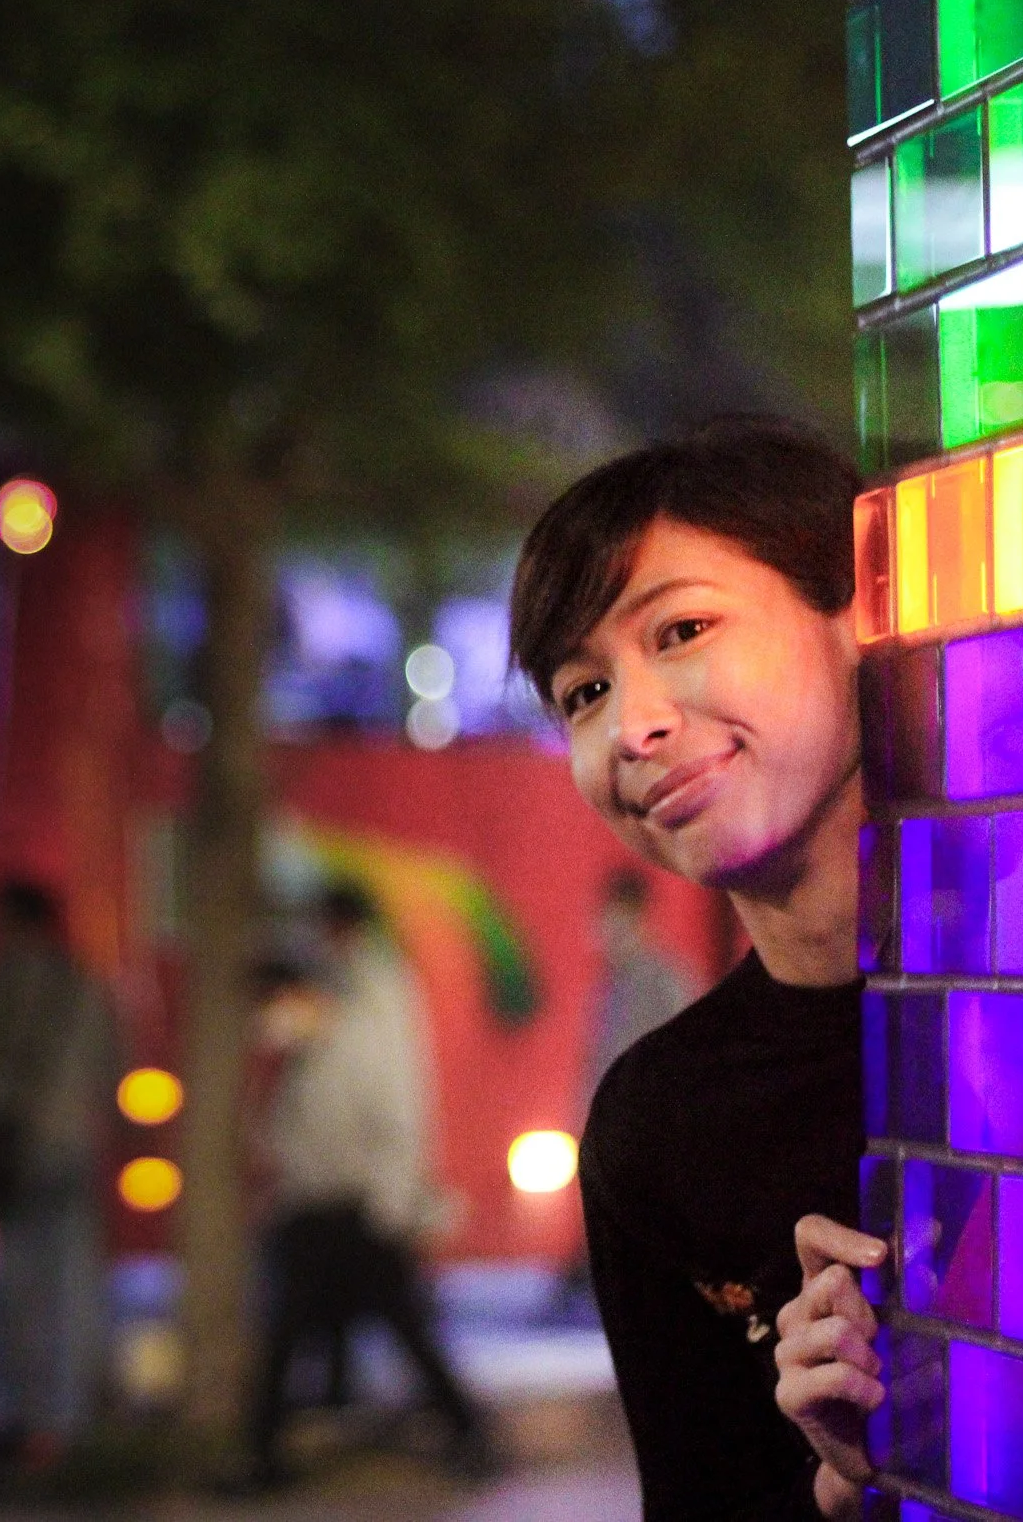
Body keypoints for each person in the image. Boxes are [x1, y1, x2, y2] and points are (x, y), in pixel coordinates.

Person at [508, 418, 872, 1521]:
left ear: (860, 611)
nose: (633, 726)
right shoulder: (653, 1127)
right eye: (582, 693)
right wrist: (849, 1474)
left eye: (679, 629)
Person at [241, 887, 492, 1489]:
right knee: (325, 1327)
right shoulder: (332, 1018)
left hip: (354, 1208)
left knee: (385, 1326)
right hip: (324, 1208)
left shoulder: (366, 1008)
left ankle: (470, 1434)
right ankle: (263, 1452)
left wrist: (391, 1199)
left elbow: (393, 1109)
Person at [0, 880, 117, 1469]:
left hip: (5, 1155)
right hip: (63, 1148)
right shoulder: (82, 985)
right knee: (61, 1287)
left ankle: (6, 1417)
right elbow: (104, 1069)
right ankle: (54, 1423)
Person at [582, 868, 690, 1111]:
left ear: (641, 920)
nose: (607, 933)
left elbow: (681, 1060)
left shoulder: (665, 982)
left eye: (619, 923)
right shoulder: (608, 986)